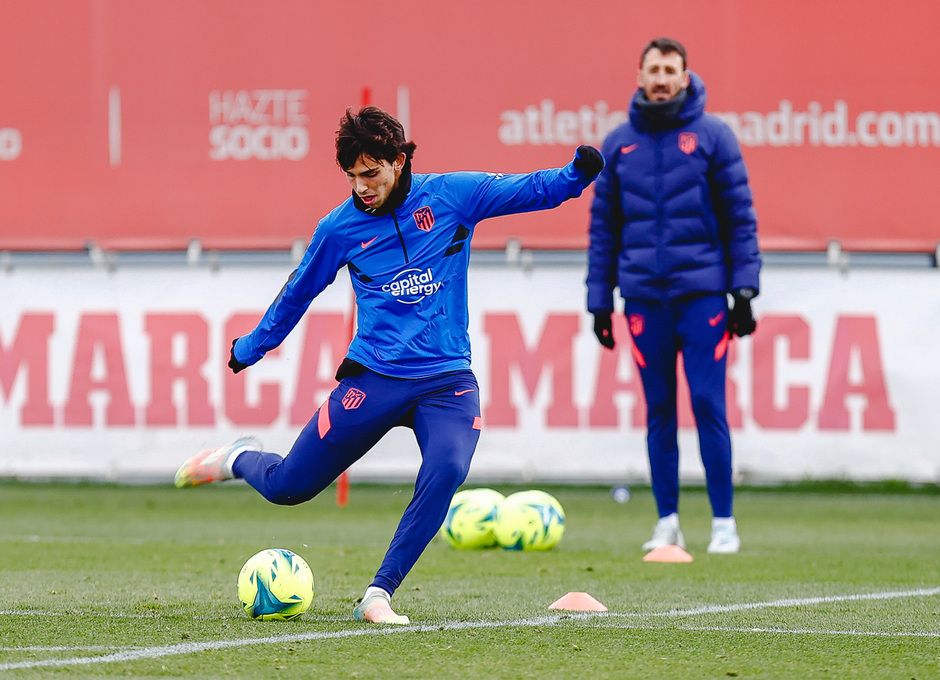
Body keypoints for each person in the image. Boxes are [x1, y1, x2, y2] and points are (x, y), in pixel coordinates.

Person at [175, 106, 604, 623]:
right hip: (374, 379)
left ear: (399, 162)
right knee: (289, 487)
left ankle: (379, 594)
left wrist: (576, 175)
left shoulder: (452, 195)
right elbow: (298, 292)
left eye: (372, 173)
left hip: (446, 380)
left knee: (447, 468)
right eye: (354, 177)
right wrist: (253, 346)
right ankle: (237, 459)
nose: (363, 187)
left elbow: (528, 189)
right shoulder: (338, 229)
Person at [586, 37, 761, 554]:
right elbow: (603, 229)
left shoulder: (714, 137)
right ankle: (667, 521)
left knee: (708, 403)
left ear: (685, 77)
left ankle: (723, 522)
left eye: (670, 70)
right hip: (642, 299)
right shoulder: (618, 144)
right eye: (653, 69)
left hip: (703, 296)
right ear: (639, 77)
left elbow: (740, 219)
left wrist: (744, 289)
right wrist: (599, 300)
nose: (661, 78)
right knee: (659, 409)